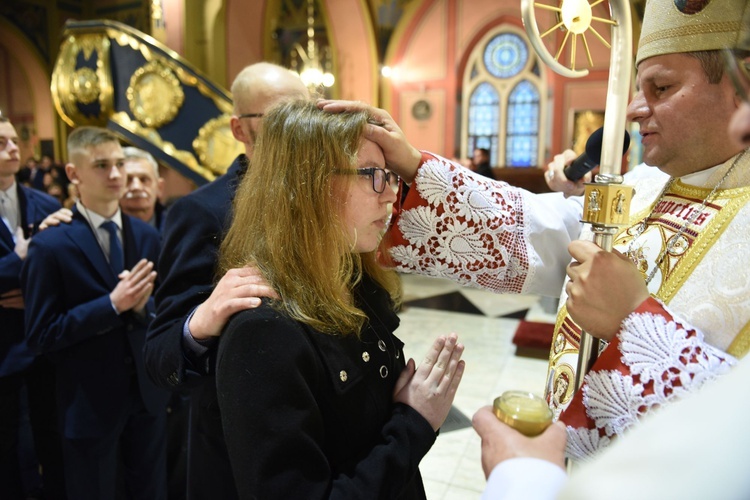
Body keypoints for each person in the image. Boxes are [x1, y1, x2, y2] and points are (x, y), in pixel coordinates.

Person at [319, 0, 750, 460]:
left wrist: (633, 322)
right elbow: (535, 233)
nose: (633, 110)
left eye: (661, 87)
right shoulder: (645, 185)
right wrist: (415, 167)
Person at [215, 98, 465, 498]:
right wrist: (414, 422)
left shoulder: (357, 282)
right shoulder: (262, 331)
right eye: (371, 175)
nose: (390, 197)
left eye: (390, 176)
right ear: (306, 185)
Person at [143, 62, 307, 499]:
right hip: (241, 436)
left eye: (309, 113)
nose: (299, 127)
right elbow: (160, 352)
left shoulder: (326, 198)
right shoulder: (201, 212)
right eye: (280, 116)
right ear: (239, 128)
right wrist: (200, 321)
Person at [20, 126, 169, 499]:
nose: (116, 175)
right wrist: (110, 306)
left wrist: (141, 310)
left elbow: (162, 312)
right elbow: (41, 335)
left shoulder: (146, 235)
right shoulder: (50, 244)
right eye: (102, 165)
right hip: (88, 400)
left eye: (119, 163)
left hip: (147, 395)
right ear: (74, 174)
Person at [0, 115, 66, 498]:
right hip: (3, 349)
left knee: (50, 438)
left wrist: (36, 293)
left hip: (44, 344)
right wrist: (22, 255)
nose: (13, 148)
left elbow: (64, 266)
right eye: (2, 142)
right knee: (9, 448)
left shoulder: (44, 203)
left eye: (13, 140)